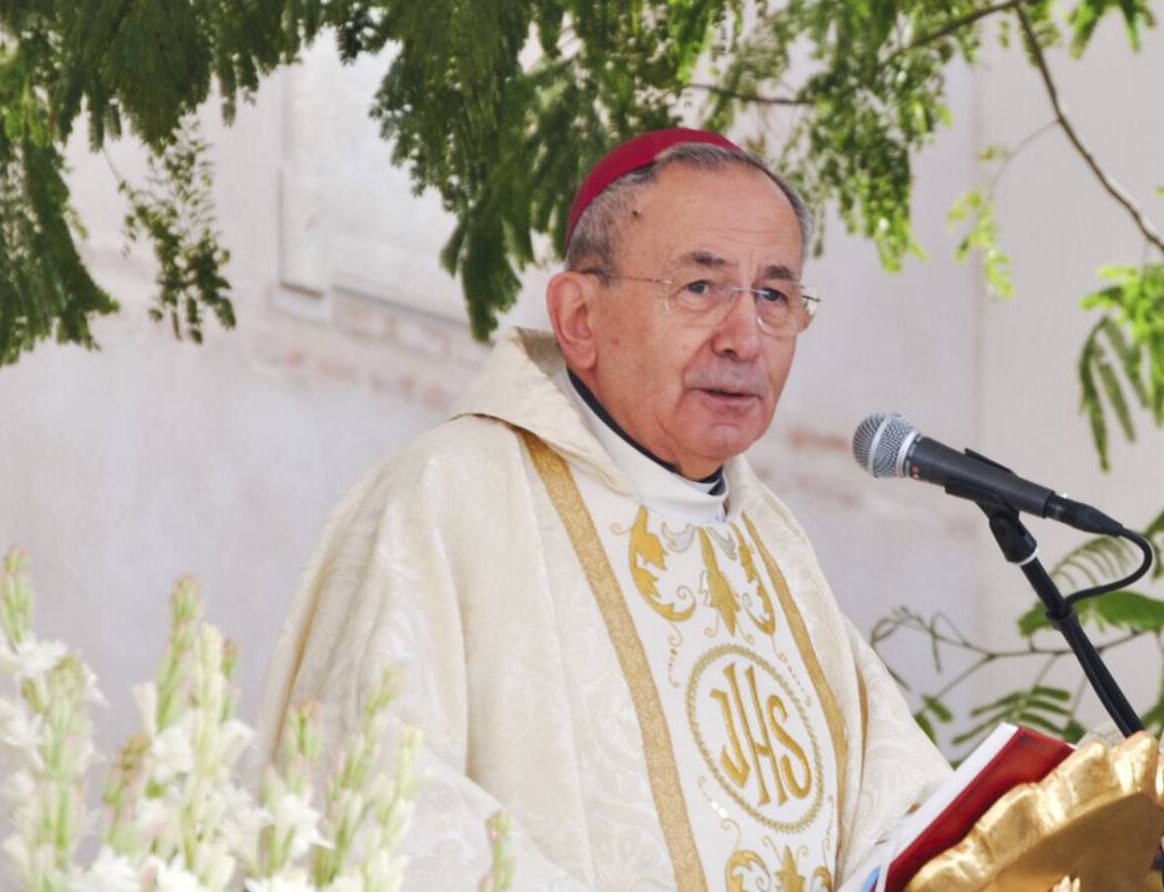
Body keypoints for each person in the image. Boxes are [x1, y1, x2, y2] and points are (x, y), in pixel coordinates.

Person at [258, 128, 950, 890]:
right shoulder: (448, 498)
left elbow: (914, 821)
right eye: (700, 287)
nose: (744, 339)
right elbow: (370, 801)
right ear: (580, 317)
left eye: (774, 296)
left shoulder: (776, 550)